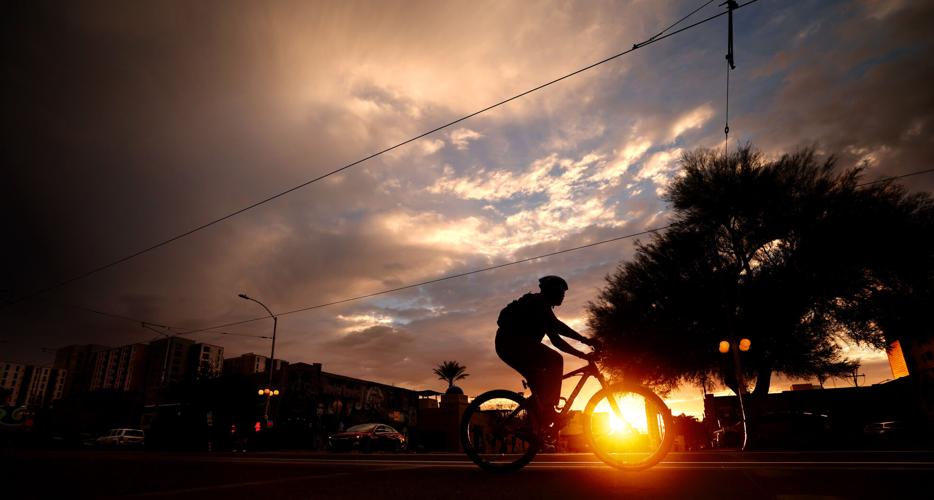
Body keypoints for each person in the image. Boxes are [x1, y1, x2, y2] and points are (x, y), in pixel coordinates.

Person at [495, 275, 595, 433]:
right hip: (511, 344)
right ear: (551, 291)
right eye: (561, 292)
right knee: (555, 359)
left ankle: (533, 427)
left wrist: (582, 354)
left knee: (541, 386)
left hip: (513, 346)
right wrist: (585, 341)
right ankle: (549, 411)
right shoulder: (538, 302)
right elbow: (558, 327)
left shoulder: (543, 309)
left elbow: (556, 340)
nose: (563, 295)